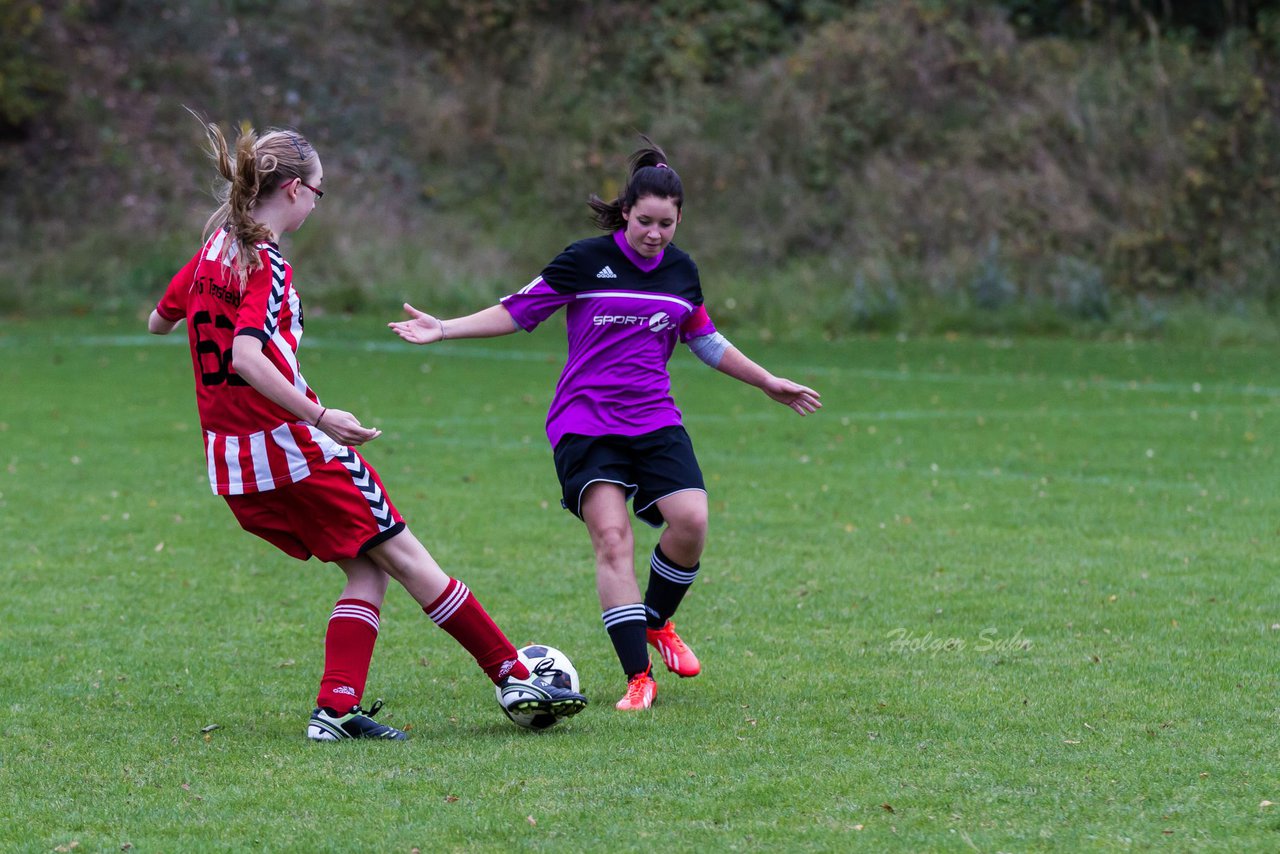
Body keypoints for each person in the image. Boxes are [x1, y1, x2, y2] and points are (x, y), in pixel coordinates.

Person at [148, 117, 586, 740]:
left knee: (368, 568)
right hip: (293, 448)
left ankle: (336, 711)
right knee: (406, 555)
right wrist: (321, 415)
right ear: (295, 190)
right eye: (320, 192)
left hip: (232, 462)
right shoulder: (265, 264)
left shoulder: (210, 254)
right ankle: (514, 673)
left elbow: (158, 322)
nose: (317, 205)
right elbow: (246, 359)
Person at [388, 137, 822, 711]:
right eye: (645, 221)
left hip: (654, 419)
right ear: (626, 214)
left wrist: (767, 380)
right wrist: (443, 328)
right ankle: (639, 678)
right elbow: (518, 310)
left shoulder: (681, 271)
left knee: (691, 521)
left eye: (666, 224)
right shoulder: (585, 261)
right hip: (585, 423)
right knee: (612, 540)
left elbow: (706, 340)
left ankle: (657, 620)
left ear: (679, 220)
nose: (655, 234)